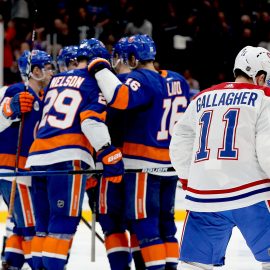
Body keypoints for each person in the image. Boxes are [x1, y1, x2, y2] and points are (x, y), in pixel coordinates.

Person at [88, 34, 190, 270]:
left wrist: (99, 67)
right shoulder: (177, 79)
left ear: (132, 58)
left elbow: (120, 97)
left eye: (121, 59)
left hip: (142, 166)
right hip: (170, 164)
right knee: (166, 227)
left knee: (145, 226)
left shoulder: (139, 79)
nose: (118, 65)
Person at [25, 39, 124, 270]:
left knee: (43, 227)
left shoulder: (56, 79)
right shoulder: (93, 81)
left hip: (37, 156)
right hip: (66, 159)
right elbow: (90, 122)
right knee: (62, 225)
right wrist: (106, 152)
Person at [169, 45, 270, 270]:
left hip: (205, 196)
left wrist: (189, 180)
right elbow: (267, 150)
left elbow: (179, 142)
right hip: (252, 194)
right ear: (260, 76)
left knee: (194, 265)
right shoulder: (264, 97)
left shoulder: (202, 97)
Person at [0, 49, 54, 270]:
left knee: (20, 224)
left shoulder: (44, 97)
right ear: (35, 71)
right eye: (48, 68)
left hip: (27, 171)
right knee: (30, 226)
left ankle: (10, 263)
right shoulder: (14, 90)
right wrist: (10, 108)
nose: (52, 72)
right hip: (14, 171)